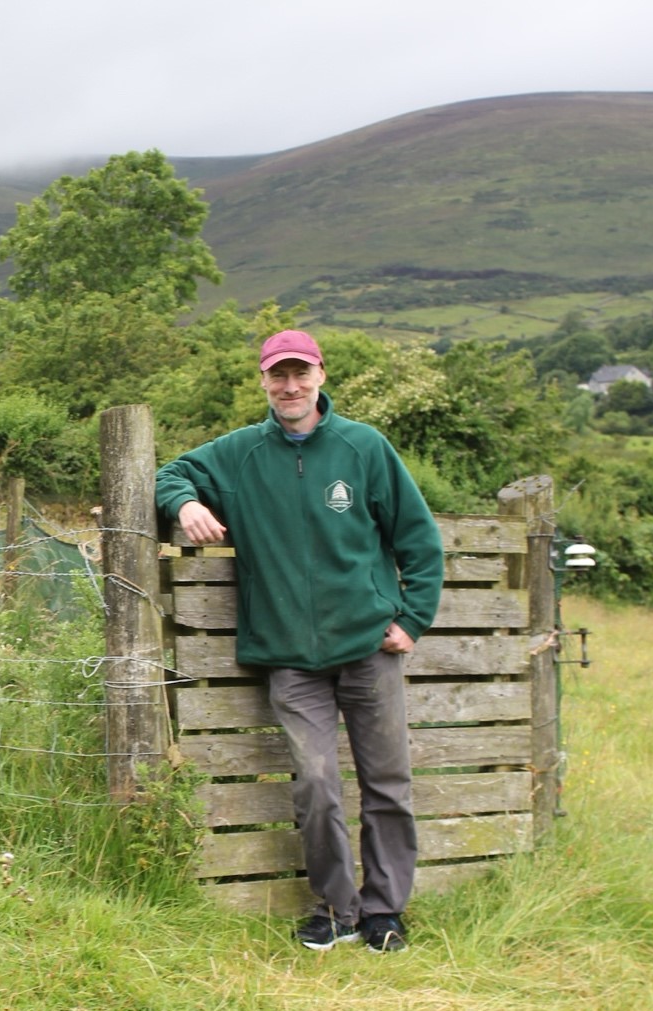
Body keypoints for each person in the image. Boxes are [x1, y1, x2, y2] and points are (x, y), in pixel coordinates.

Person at [155, 329, 443, 953]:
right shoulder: (239, 454)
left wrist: (411, 619)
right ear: (263, 380)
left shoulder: (363, 447)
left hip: (369, 646)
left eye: (300, 374)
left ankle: (384, 911)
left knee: (386, 781)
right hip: (290, 657)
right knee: (314, 783)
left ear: (319, 375)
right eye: (277, 375)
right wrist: (182, 506)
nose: (289, 386)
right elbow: (171, 473)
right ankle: (336, 909)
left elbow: (419, 539)